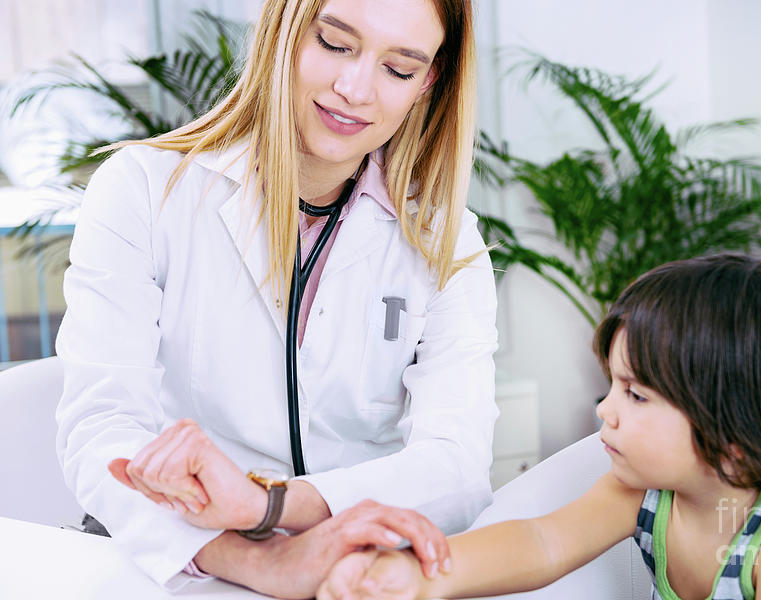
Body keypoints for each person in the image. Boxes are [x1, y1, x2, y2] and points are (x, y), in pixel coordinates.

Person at [55, 0, 496, 597]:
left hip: (355, 566)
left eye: (399, 69)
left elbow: (457, 466)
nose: (355, 89)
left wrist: (273, 507)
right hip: (179, 559)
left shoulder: (445, 239)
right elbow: (104, 432)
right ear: (282, 32)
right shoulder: (142, 191)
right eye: (336, 44)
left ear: (428, 83)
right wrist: (257, 559)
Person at [317, 254, 761, 600]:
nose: (605, 411)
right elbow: (542, 542)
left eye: (635, 394)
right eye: (611, 385)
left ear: (735, 429)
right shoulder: (648, 496)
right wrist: (420, 578)